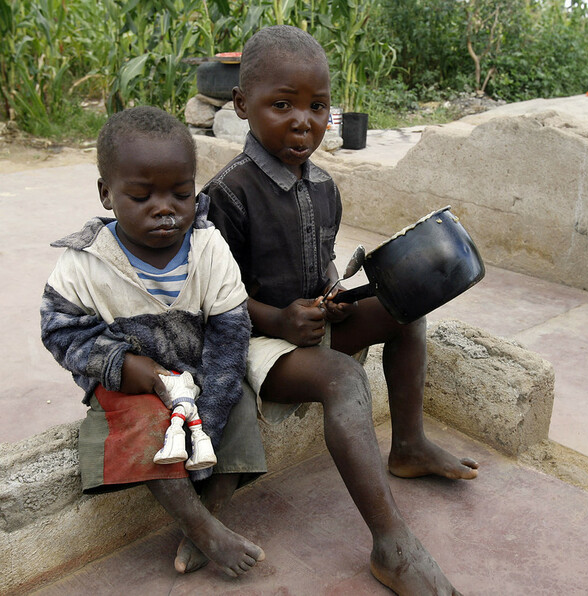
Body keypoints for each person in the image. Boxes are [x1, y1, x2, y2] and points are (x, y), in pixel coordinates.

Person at [203, 25, 476, 595]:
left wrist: (336, 294)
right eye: (281, 105)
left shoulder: (324, 185)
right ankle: (392, 546)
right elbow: (209, 298)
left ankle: (407, 445)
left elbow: (321, 262)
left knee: (406, 307)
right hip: (256, 344)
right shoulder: (228, 193)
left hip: (306, 326)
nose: (303, 121)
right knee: (345, 379)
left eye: (318, 107)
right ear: (240, 105)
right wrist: (277, 319)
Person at [40, 106, 266, 578]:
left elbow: (231, 329)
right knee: (147, 426)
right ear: (106, 193)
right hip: (128, 382)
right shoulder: (85, 263)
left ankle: (209, 513)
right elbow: (60, 330)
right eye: (142, 196)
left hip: (200, 372)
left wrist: (212, 400)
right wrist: (125, 367)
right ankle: (201, 528)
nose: (165, 208)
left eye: (181, 194)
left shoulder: (209, 247)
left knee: (242, 405)